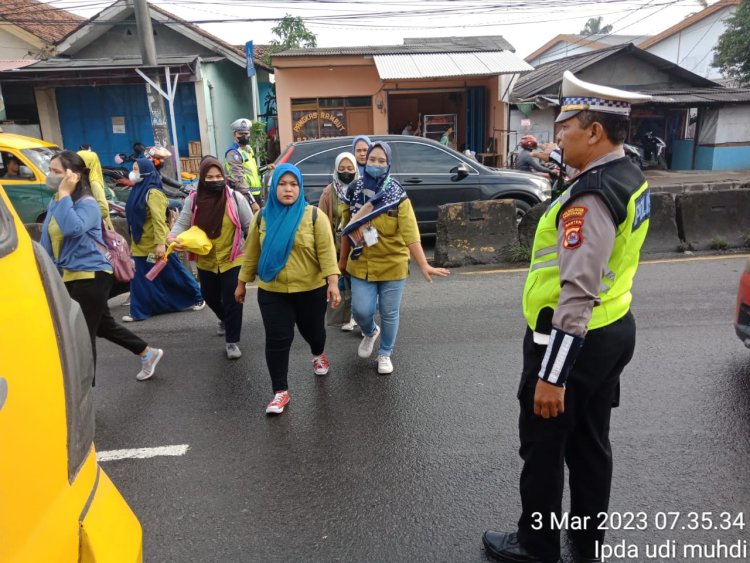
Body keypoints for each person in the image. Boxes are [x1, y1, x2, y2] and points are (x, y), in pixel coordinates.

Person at [482, 71, 652, 563]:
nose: (557, 137)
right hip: (613, 330)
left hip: (570, 343)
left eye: (565, 127)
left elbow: (576, 293)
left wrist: (551, 377)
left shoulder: (591, 198)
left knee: (543, 449)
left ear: (594, 131)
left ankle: (537, 545)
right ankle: (586, 538)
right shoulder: (629, 176)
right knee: (590, 444)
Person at [39, 150, 163, 382]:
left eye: (56, 172)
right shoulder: (56, 202)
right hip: (69, 275)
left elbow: (71, 229)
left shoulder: (87, 204)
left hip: (92, 274)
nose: (50, 176)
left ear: (73, 176)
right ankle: (147, 353)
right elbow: (47, 240)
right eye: (50, 170)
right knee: (103, 325)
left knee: (81, 336)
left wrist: (65, 194)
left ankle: (84, 390)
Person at [235, 164, 340, 415]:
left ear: (300, 187)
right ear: (273, 188)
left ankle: (318, 353)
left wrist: (333, 283)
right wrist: (241, 283)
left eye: (293, 184)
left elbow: (327, 253)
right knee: (277, 339)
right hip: (272, 290)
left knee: (314, 332)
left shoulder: (314, 216)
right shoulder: (262, 217)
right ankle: (280, 391)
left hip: (310, 289)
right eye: (282, 184)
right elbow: (251, 254)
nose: (288, 189)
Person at [339, 141, 450, 375]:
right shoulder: (355, 190)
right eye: (372, 160)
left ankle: (385, 353)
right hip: (361, 262)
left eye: (382, 161)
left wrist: (423, 264)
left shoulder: (397, 194)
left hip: (393, 262)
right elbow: (346, 228)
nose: (376, 164)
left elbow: (410, 233)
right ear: (365, 160)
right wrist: (340, 262)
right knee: (361, 311)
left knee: (390, 312)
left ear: (388, 164)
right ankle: (370, 332)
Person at [169, 157, 252, 360]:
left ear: (224, 176)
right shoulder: (194, 199)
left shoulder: (235, 198)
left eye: (219, 176)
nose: (215, 180)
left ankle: (232, 341)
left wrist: (254, 255)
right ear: (203, 179)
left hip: (233, 257)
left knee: (233, 299)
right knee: (209, 296)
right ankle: (224, 318)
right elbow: (183, 222)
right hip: (206, 259)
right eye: (210, 177)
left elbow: (250, 226)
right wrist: (172, 236)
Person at [124, 157, 204, 322]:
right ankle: (139, 311)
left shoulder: (153, 194)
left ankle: (198, 296)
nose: (133, 172)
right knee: (140, 279)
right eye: (133, 168)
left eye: (136, 169)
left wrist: (161, 244)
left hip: (155, 245)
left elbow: (158, 221)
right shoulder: (137, 189)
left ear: (146, 171)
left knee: (173, 273)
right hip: (139, 245)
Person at [318, 151, 359, 332]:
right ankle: (345, 315)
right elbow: (322, 219)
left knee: (358, 281)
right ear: (336, 169)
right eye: (341, 168)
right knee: (342, 282)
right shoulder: (329, 192)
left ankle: (357, 315)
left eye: (350, 168)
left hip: (357, 243)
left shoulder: (362, 188)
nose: (346, 172)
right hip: (336, 244)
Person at [225, 118, 262, 213]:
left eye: (246, 134)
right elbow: (239, 179)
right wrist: (251, 201)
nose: (244, 136)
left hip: (256, 195)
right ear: (234, 134)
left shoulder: (248, 150)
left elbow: (253, 172)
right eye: (241, 134)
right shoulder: (233, 153)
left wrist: (266, 168)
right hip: (243, 197)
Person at [77, 149, 115, 230]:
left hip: (100, 231)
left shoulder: (93, 183)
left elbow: (104, 210)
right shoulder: (85, 181)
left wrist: (85, 219)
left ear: (87, 164)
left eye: (79, 162)